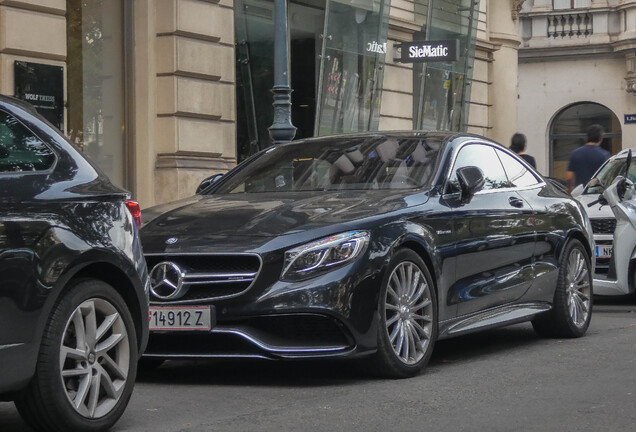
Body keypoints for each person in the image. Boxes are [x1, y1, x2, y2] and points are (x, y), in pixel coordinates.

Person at [565, 124, 610, 193]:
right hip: (597, 194)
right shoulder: (604, 155)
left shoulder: (575, 153)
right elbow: (608, 177)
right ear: (601, 139)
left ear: (587, 138)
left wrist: (569, 189)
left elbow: (569, 177)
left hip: (579, 193)